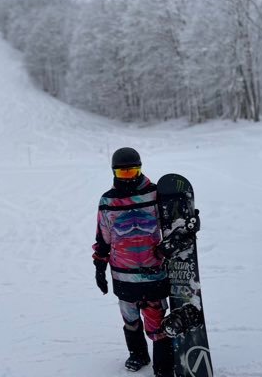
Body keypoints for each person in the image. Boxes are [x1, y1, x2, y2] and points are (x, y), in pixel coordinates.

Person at [92, 147, 174, 377]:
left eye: (132, 172)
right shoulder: (108, 201)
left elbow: (172, 222)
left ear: (140, 169)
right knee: (130, 318)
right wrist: (99, 266)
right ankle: (138, 354)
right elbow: (103, 237)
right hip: (122, 273)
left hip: (153, 272)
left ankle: (164, 366)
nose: (128, 177)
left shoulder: (155, 194)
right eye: (122, 174)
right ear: (114, 173)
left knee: (157, 321)